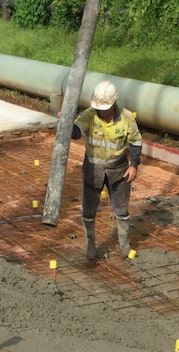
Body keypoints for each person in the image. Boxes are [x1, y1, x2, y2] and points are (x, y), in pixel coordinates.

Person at [72, 80, 143, 260]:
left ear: (113, 104)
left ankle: (124, 245)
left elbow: (135, 142)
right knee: (89, 210)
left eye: (104, 108)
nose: (101, 111)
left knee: (121, 209)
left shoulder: (126, 118)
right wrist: (65, 122)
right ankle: (90, 244)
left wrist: (134, 165)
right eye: (99, 108)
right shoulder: (89, 115)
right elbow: (76, 132)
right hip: (92, 169)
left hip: (118, 170)